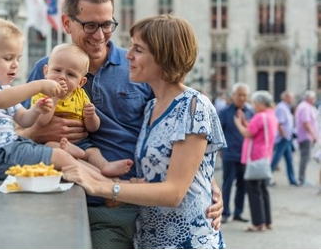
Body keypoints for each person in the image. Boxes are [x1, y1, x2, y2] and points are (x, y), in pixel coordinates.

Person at [18, 0, 223, 248]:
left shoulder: (140, 69)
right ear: (67, 23)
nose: (100, 35)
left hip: (133, 205)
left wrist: (209, 183)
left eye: (107, 24)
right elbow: (16, 136)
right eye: (90, 25)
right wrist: (37, 131)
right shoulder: (47, 69)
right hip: (67, 199)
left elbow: (182, 132)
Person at [61, 14, 226, 248]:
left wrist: (103, 187)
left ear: (162, 56)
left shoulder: (193, 105)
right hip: (150, 240)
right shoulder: (151, 108)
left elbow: (174, 192)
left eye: (138, 50)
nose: (128, 55)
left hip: (187, 242)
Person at [0, 17, 100, 180]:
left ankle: (107, 182)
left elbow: (24, 120)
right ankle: (104, 187)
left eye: (18, 58)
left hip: (6, 149)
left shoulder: (3, 88)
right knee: (61, 157)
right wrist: (38, 85)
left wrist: (37, 110)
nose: (15, 64)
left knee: (65, 158)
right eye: (8, 58)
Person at [30, 43, 133, 177]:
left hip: (80, 143)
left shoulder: (81, 95)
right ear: (46, 71)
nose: (62, 77)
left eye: (71, 74)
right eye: (57, 70)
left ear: (81, 82)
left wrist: (91, 116)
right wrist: (55, 97)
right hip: (54, 143)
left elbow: (92, 128)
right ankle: (98, 175)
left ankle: (105, 166)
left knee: (93, 151)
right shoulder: (41, 94)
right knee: (51, 146)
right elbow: (41, 122)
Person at [234, 90, 278, 232]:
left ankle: (258, 223)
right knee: (263, 189)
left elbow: (248, 133)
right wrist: (245, 121)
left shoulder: (260, 116)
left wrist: (238, 124)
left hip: (254, 156)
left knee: (254, 191)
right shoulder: (271, 115)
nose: (253, 106)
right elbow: (256, 130)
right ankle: (267, 221)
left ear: (260, 104)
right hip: (265, 155)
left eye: (255, 103)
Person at [218, 82, 254, 223]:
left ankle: (238, 212)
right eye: (239, 95)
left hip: (245, 155)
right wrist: (220, 149)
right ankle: (225, 212)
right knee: (227, 184)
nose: (242, 98)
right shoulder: (224, 113)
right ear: (233, 96)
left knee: (242, 184)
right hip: (230, 153)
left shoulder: (250, 112)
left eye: (244, 95)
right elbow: (218, 132)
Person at [270, 90, 298, 186]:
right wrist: (283, 135)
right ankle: (267, 178)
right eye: (290, 97)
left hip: (288, 137)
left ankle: (292, 179)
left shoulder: (286, 107)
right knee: (276, 158)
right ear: (285, 97)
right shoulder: (282, 108)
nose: (292, 99)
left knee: (289, 159)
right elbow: (280, 123)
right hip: (283, 138)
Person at [294, 90, 319, 186]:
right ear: (309, 98)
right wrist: (313, 135)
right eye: (313, 98)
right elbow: (306, 123)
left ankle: (302, 177)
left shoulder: (306, 106)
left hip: (306, 136)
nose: (315, 100)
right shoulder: (305, 107)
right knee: (305, 157)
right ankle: (302, 178)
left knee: (305, 157)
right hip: (305, 136)